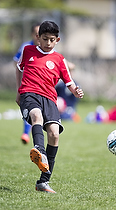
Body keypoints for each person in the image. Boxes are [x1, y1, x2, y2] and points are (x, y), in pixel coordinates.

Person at [16, 20, 84, 193]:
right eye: (44, 39)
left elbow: (69, 82)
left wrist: (75, 91)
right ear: (38, 37)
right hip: (29, 94)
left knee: (54, 134)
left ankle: (43, 182)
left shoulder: (60, 60)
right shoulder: (28, 51)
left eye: (51, 40)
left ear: (57, 40)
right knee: (36, 116)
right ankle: (39, 149)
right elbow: (19, 67)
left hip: (50, 99)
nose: (48, 43)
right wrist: (19, 91)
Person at [14, 22, 40, 144]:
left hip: (42, 87)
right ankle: (26, 134)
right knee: (31, 109)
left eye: (40, 33)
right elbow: (16, 62)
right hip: (27, 85)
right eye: (36, 33)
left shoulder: (48, 47)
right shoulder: (26, 47)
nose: (38, 36)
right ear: (32, 34)